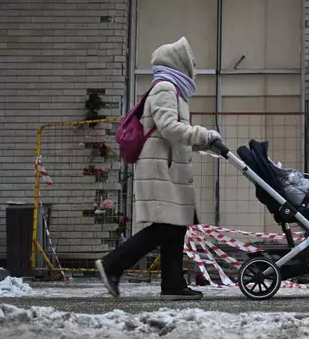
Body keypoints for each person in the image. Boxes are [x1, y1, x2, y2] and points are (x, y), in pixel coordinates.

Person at [95, 37, 222, 300]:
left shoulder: (173, 89)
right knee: (166, 227)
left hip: (168, 168)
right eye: (191, 61)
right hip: (161, 169)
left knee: (176, 226)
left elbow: (172, 135)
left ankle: (173, 285)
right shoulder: (165, 87)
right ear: (179, 62)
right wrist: (203, 135)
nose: (194, 66)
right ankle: (111, 265)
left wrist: (202, 143)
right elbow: (168, 127)